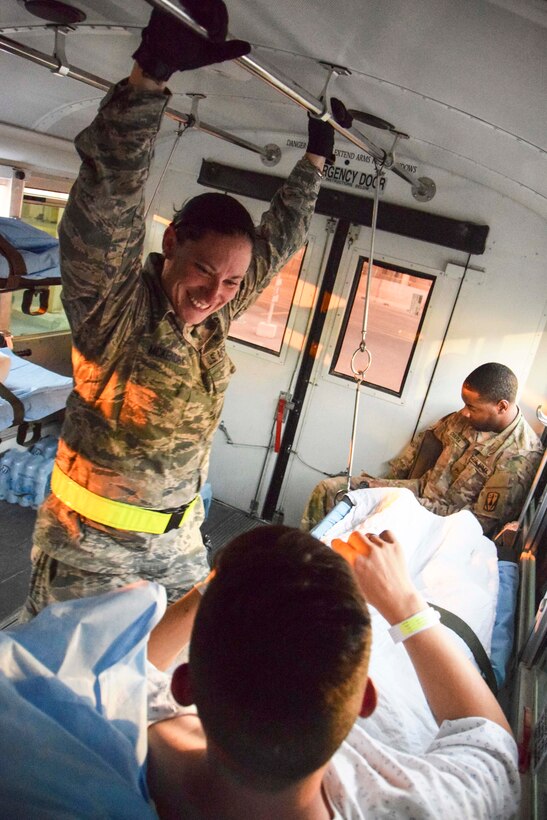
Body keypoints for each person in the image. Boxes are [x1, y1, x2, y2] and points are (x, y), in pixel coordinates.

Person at [20, 0, 334, 621]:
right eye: (203, 271)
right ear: (172, 245)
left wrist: (316, 158)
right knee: (65, 681)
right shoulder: (114, 310)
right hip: (89, 555)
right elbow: (107, 198)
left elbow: (279, 238)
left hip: (177, 543)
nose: (215, 293)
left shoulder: (213, 317)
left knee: (187, 664)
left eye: (231, 281)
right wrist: (151, 76)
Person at [144, 524, 518, 818]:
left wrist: (226, 581)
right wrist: (404, 604)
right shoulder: (426, 807)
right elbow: (492, 743)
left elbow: (135, 664)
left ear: (184, 684)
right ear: (365, 700)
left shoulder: (129, 726)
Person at [302, 362, 543, 535]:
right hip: (415, 492)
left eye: (472, 407)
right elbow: (423, 444)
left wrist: (401, 504)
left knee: (363, 521)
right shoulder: (465, 420)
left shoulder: (519, 457)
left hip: (440, 524)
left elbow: (479, 523)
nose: (464, 412)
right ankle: (302, 559)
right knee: (332, 490)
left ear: (501, 407)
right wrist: (385, 482)